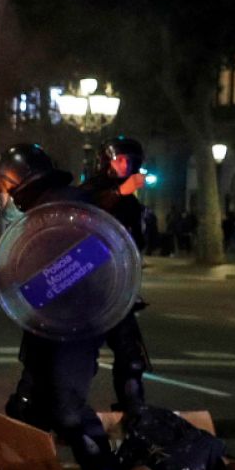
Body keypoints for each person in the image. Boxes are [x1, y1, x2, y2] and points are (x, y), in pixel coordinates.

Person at [0, 144, 127, 470]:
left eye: (6, 186)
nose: (7, 195)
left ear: (20, 184)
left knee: (67, 413)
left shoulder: (61, 213)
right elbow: (17, 268)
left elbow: (17, 269)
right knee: (26, 407)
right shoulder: (46, 211)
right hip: (50, 327)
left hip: (74, 329)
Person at [82, 134, 151, 416]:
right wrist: (119, 192)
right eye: (119, 159)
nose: (125, 164)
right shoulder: (92, 190)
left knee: (132, 358)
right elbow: (87, 213)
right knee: (78, 358)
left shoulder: (132, 202)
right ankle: (65, 411)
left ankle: (134, 411)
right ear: (107, 162)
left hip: (119, 286)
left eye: (129, 160)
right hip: (88, 286)